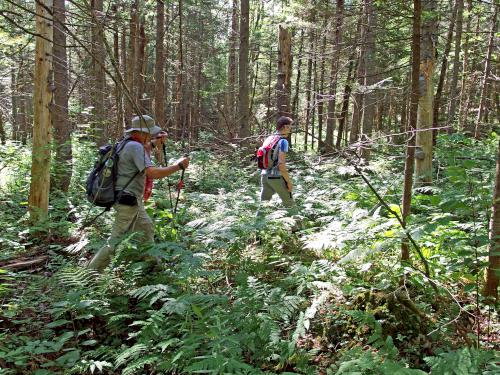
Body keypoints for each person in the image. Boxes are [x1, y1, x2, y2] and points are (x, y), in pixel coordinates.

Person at [88, 115, 189, 272]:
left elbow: (143, 149)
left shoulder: (126, 143)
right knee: (115, 241)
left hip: (130, 199)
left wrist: (155, 143)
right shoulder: (136, 147)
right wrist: (178, 166)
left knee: (146, 227)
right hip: (127, 201)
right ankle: (89, 273)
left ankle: (152, 264)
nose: (152, 136)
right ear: (142, 133)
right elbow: (152, 172)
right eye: (150, 134)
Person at [259, 116, 295, 211]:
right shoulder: (283, 142)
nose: (290, 130)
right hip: (276, 176)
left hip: (264, 175)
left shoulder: (269, 138)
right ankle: (298, 225)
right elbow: (281, 165)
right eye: (290, 127)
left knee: (263, 205)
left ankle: (258, 225)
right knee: (289, 203)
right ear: (285, 127)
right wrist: (288, 182)